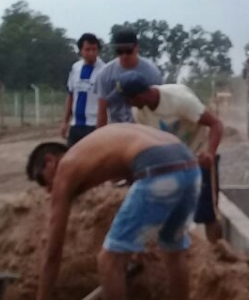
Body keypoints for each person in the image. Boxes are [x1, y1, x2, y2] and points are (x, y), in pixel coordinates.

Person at [26, 124, 199, 300]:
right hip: (188, 165)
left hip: (158, 167)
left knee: (108, 260)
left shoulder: (66, 167)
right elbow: (137, 182)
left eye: (44, 182)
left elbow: (53, 253)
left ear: (50, 162)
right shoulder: (98, 149)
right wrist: (135, 246)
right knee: (174, 252)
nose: (49, 191)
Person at [117, 72, 227, 244]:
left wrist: (210, 154)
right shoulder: (139, 112)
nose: (127, 103)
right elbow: (147, 142)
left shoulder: (180, 100)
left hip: (199, 153)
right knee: (167, 211)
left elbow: (216, 124)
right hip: (171, 160)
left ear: (140, 95)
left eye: (128, 99)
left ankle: (217, 254)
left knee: (207, 213)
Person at [93, 29, 163, 127]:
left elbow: (158, 106)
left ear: (137, 48)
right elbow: (102, 110)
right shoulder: (105, 74)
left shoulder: (151, 72)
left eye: (128, 51)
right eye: (119, 51)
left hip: (145, 129)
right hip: (117, 129)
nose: (124, 56)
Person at [59, 33, 106, 147]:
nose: (91, 53)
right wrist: (65, 122)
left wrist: (100, 129)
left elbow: (104, 101)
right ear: (81, 51)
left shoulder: (104, 71)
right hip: (76, 125)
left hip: (93, 125)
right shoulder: (75, 68)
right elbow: (70, 95)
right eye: (87, 49)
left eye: (94, 49)